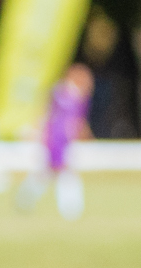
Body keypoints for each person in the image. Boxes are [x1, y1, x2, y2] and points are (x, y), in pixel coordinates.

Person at [14, 61, 94, 219]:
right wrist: (37, 132)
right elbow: (47, 115)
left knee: (51, 173)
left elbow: (78, 121)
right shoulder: (60, 93)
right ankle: (70, 209)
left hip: (64, 140)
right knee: (61, 172)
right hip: (55, 139)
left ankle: (26, 199)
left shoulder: (79, 97)